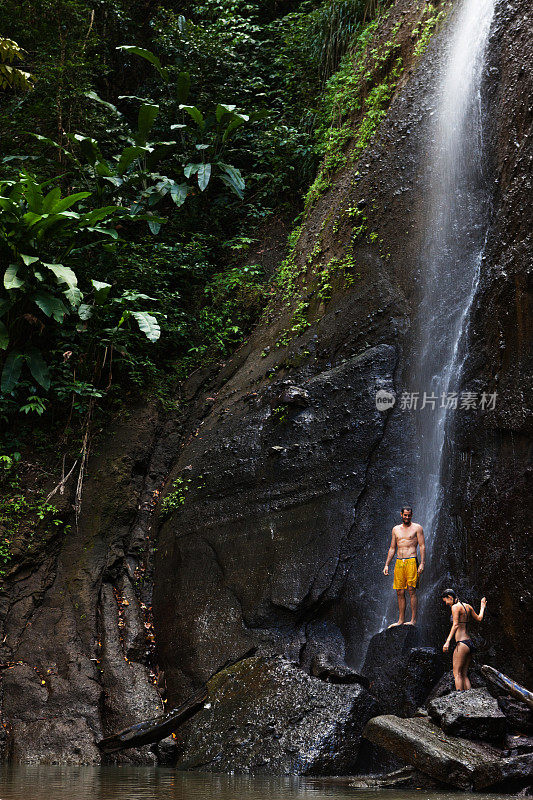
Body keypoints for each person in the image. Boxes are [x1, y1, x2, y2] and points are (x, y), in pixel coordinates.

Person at [383, 506, 425, 626]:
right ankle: (401, 620)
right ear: (401, 514)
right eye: (405, 515)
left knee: (411, 590)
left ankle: (413, 620)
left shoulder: (417, 528)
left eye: (409, 515)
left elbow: (422, 546)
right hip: (399, 562)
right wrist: (386, 565)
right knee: (399, 592)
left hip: (412, 560)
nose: (407, 517)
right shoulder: (395, 529)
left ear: (412, 515)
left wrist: (422, 563)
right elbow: (392, 548)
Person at [442, 588, 487, 691]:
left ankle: (459, 700)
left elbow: (455, 624)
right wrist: (482, 606)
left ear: (450, 597)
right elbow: (479, 618)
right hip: (469, 643)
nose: (446, 604)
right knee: (464, 674)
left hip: (462, 644)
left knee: (456, 673)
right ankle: (469, 699)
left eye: (446, 601)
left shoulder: (455, 607)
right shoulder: (467, 606)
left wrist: (447, 641)